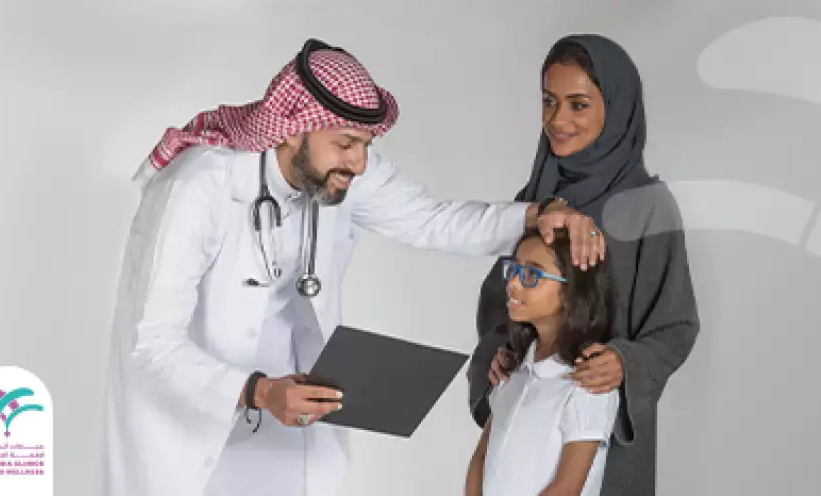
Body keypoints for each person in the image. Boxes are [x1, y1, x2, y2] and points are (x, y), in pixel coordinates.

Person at [100, 38, 607, 496]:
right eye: (346, 144)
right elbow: (152, 343)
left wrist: (538, 215)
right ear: (292, 132)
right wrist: (258, 391)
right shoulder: (196, 188)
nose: (360, 164)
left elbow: (432, 220)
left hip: (290, 417)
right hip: (197, 424)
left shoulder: (339, 174)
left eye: (366, 145)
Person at [466, 34, 700, 496]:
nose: (557, 120)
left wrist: (624, 362)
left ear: (616, 109)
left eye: (578, 104)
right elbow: (500, 301)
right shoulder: (536, 200)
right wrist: (500, 351)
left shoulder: (648, 208)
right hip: (527, 419)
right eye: (549, 101)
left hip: (596, 410)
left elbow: (676, 326)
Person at [464, 228, 621, 496]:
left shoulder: (587, 383)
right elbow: (481, 456)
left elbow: (567, 487)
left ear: (572, 291)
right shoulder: (510, 371)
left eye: (531, 275)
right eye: (514, 270)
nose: (513, 284)